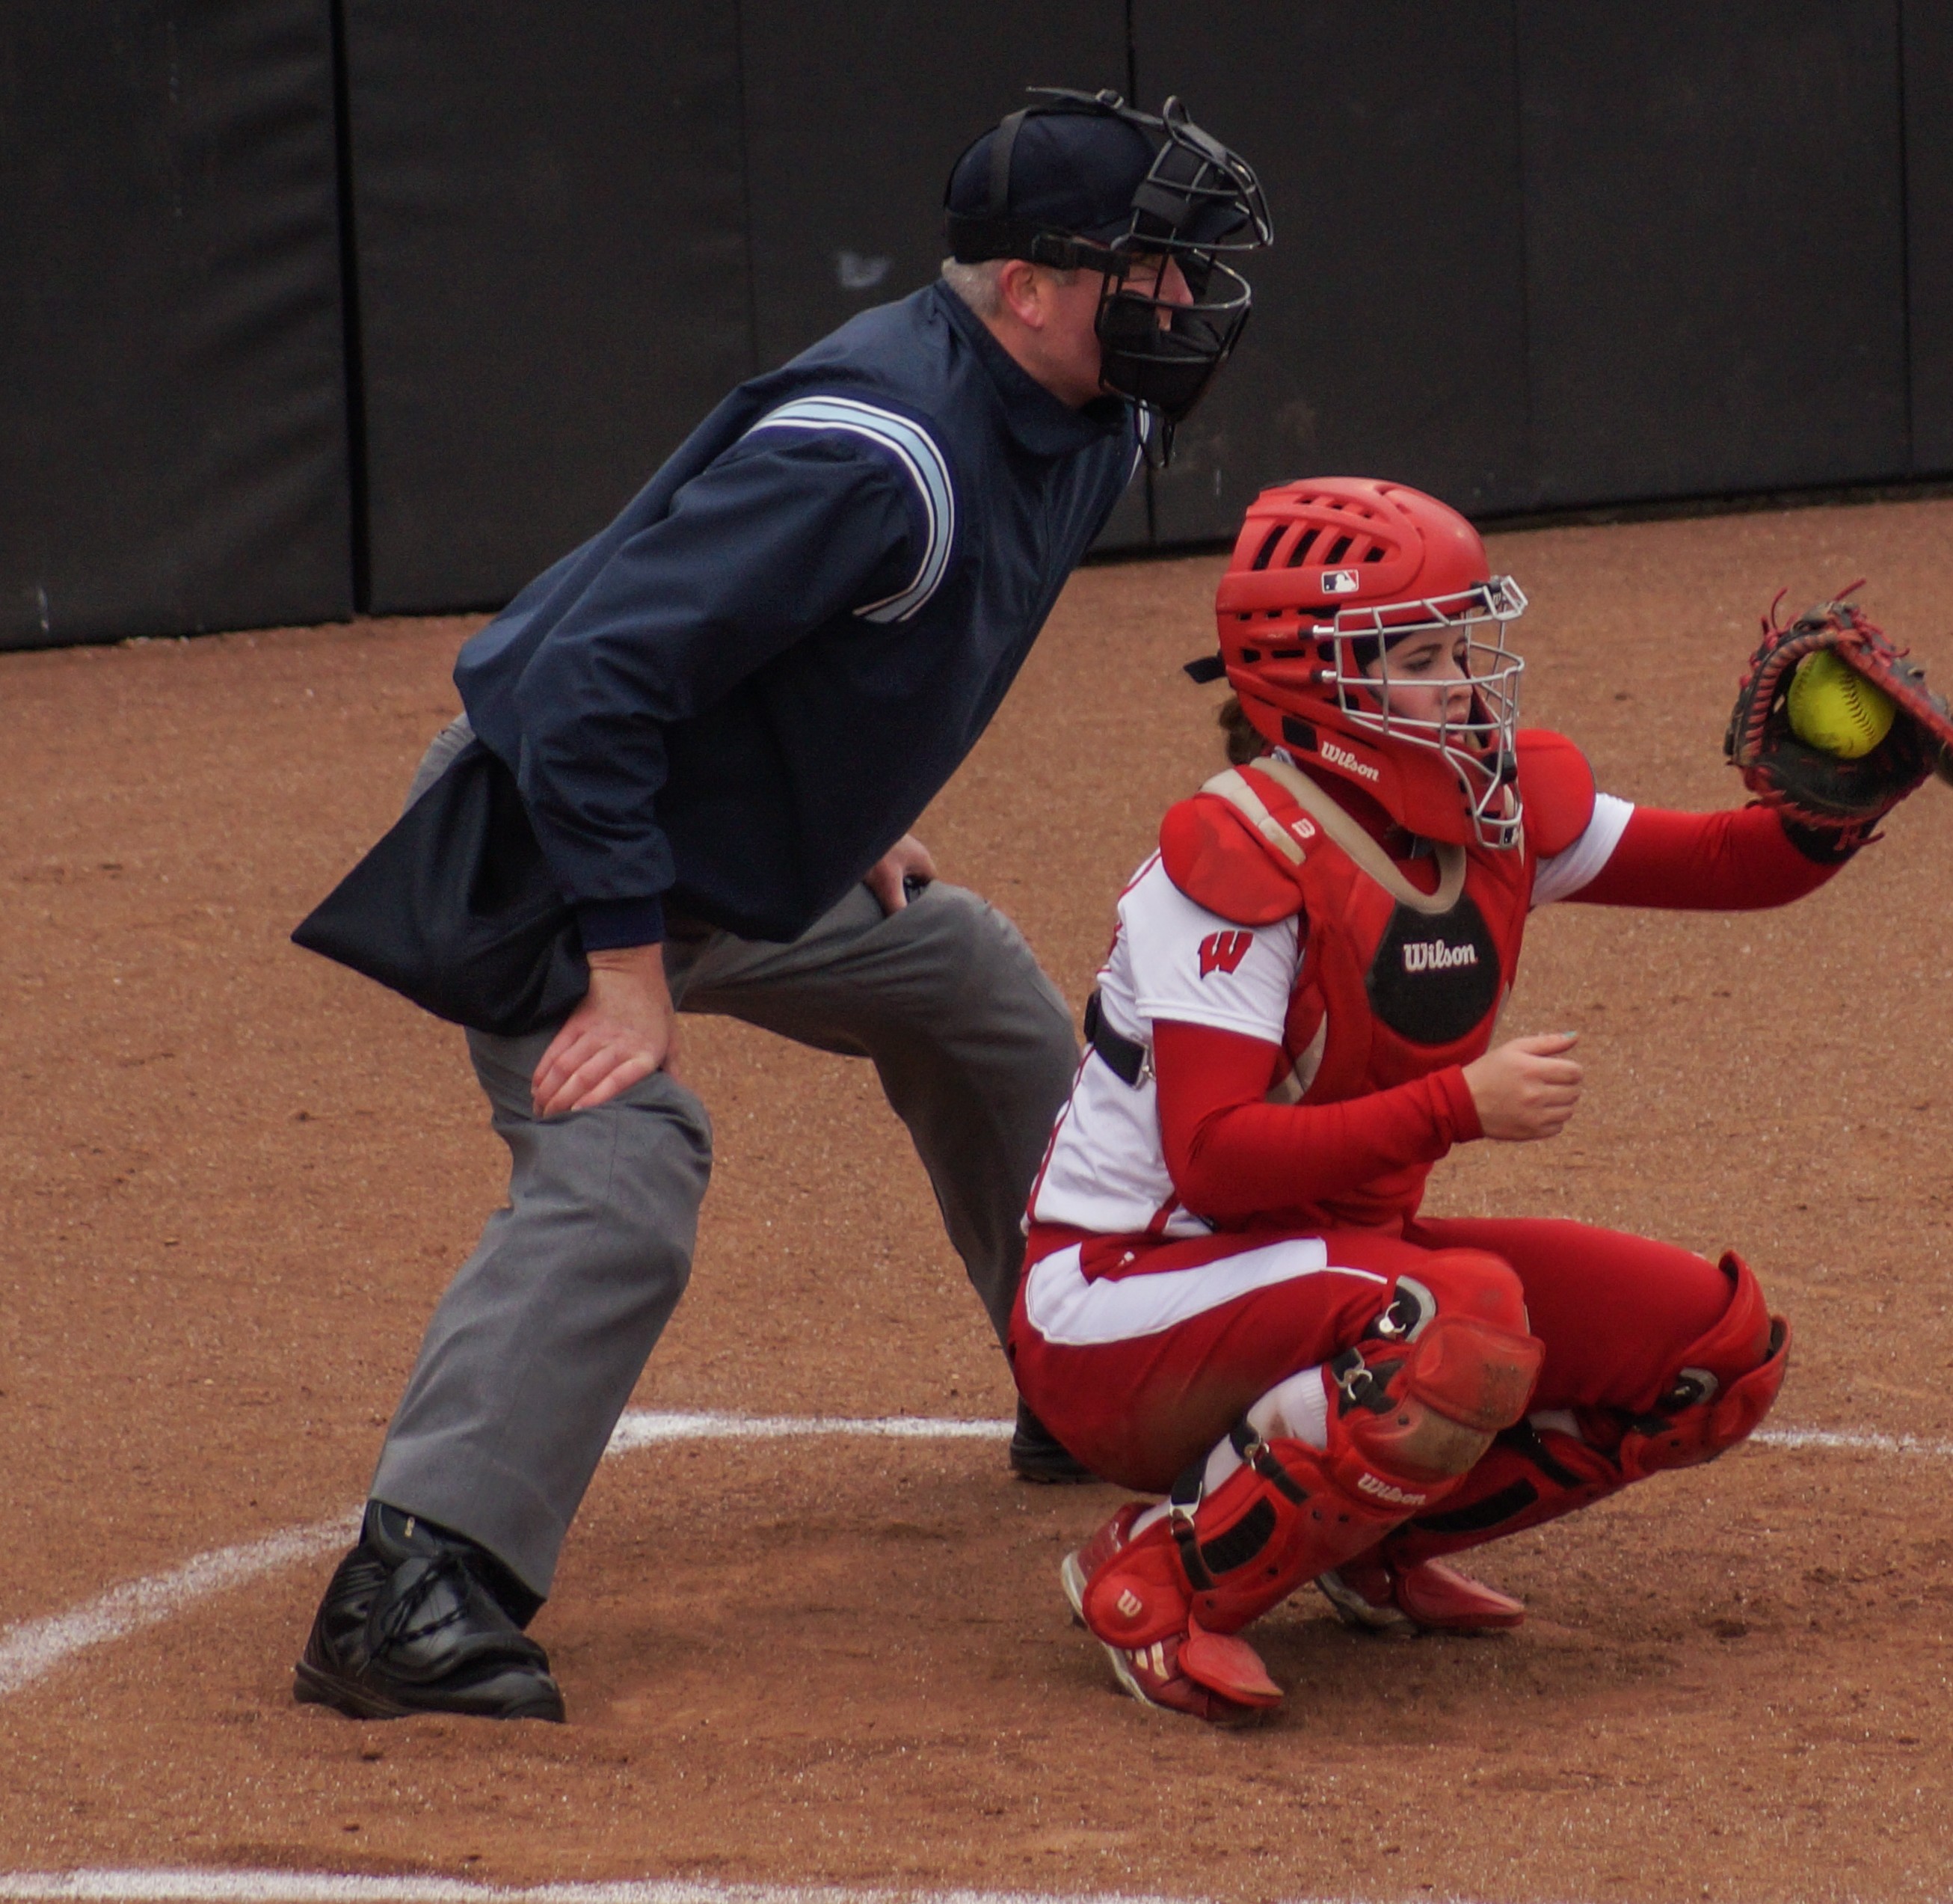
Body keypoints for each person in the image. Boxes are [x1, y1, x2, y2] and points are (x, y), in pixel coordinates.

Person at [291, 91, 1269, 1724]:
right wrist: (621, 972)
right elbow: (591, 686)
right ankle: (409, 1582)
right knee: (629, 1164)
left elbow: (876, 652)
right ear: (1026, 284)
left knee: (961, 974)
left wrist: (855, 803)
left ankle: (1081, 1363)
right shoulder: (878, 452)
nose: (1182, 304)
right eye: (1147, 270)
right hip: (553, 842)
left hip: (724, 843)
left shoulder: (1088, 412)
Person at [1012, 477, 1953, 1724]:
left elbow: (1722, 863)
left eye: (1466, 641)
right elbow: (1212, 1162)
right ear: (1320, 682)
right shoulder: (1240, 852)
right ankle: (1159, 1575)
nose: (1470, 684)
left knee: (1714, 1356)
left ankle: (1361, 1537)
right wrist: (1458, 1108)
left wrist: (1836, 807)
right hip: (1124, 1299)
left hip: (1328, 1267)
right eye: (1423, 655)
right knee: (1456, 1319)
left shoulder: (1485, 803)